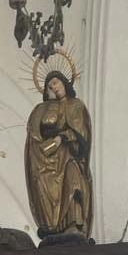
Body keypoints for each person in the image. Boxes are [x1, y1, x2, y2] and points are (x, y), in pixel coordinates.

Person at [25, 70, 94, 242]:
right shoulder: (42, 108)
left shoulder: (76, 105)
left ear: (64, 83)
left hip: (70, 153)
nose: (53, 87)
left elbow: (82, 133)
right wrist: (51, 104)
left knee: (73, 181)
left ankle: (74, 223)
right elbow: (36, 130)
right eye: (49, 86)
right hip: (47, 159)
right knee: (43, 186)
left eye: (55, 83)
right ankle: (53, 228)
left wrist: (63, 137)